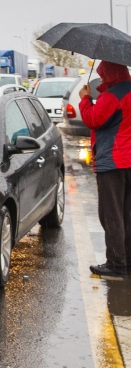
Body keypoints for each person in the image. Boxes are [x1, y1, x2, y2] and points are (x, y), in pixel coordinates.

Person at [79, 62, 131, 278]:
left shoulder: (111, 96)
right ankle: (127, 259)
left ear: (110, 74)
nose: (100, 80)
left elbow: (94, 119)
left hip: (113, 160)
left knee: (111, 214)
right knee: (127, 213)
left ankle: (116, 264)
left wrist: (85, 99)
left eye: (102, 76)